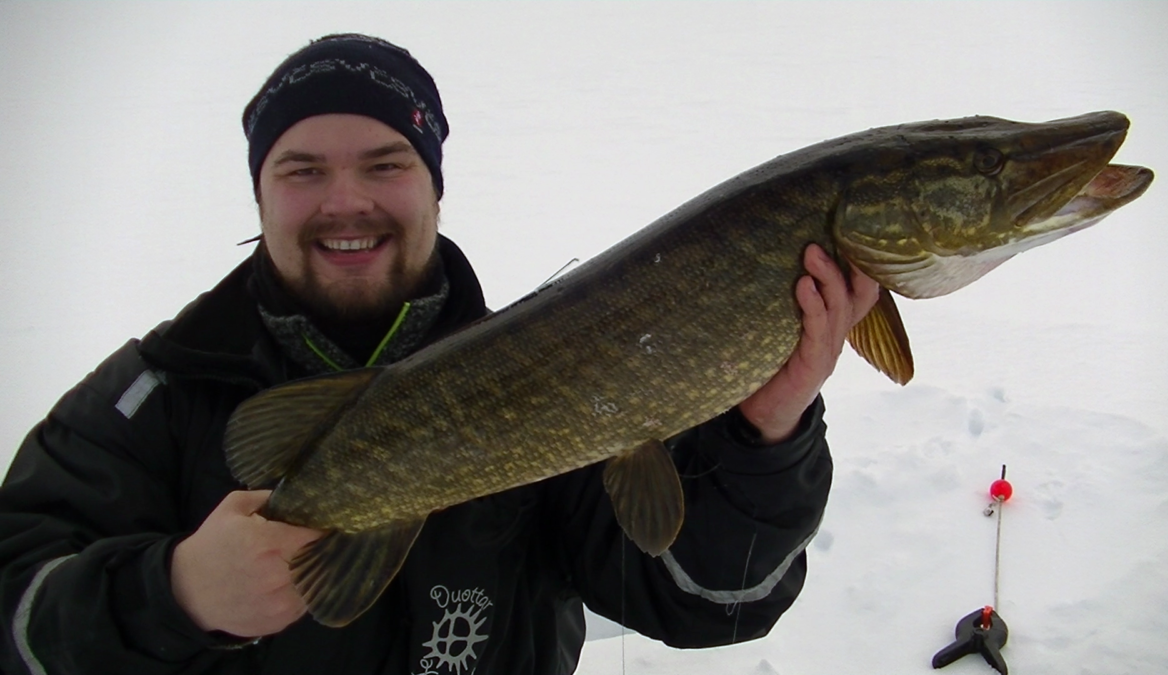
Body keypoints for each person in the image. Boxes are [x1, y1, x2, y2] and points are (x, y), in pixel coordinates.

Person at [0, 34, 879, 674]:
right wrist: (173, 593)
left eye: (386, 164)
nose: (346, 201)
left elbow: (705, 603)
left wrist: (766, 436)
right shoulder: (151, 398)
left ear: (434, 186)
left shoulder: (566, 372)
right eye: (302, 170)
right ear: (260, 192)